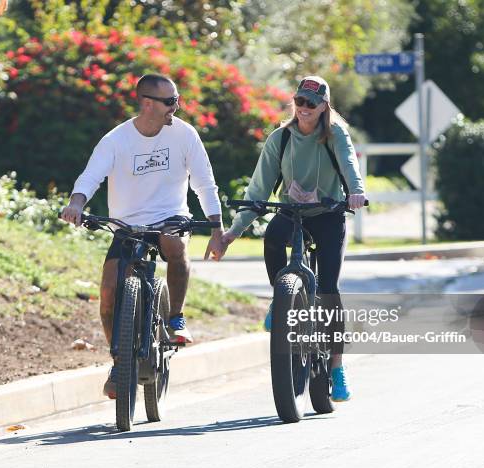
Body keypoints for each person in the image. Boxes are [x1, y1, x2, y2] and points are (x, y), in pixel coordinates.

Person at [61, 73, 225, 399]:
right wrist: (76, 204)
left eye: (177, 100)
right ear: (147, 103)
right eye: (169, 102)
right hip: (127, 225)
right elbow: (90, 177)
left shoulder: (185, 135)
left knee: (173, 242)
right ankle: (119, 362)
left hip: (170, 216)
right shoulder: (116, 140)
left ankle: (175, 318)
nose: (175, 107)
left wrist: (217, 227)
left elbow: (204, 183)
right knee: (108, 293)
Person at [218, 76, 366, 402]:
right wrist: (232, 232)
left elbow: (350, 164)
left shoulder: (335, 135)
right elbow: (258, 188)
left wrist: (355, 192)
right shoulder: (281, 138)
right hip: (292, 212)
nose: (304, 108)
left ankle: (338, 367)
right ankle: (280, 300)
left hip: (328, 214)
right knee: (272, 238)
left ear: (324, 106)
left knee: (328, 289)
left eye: (311, 103)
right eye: (299, 101)